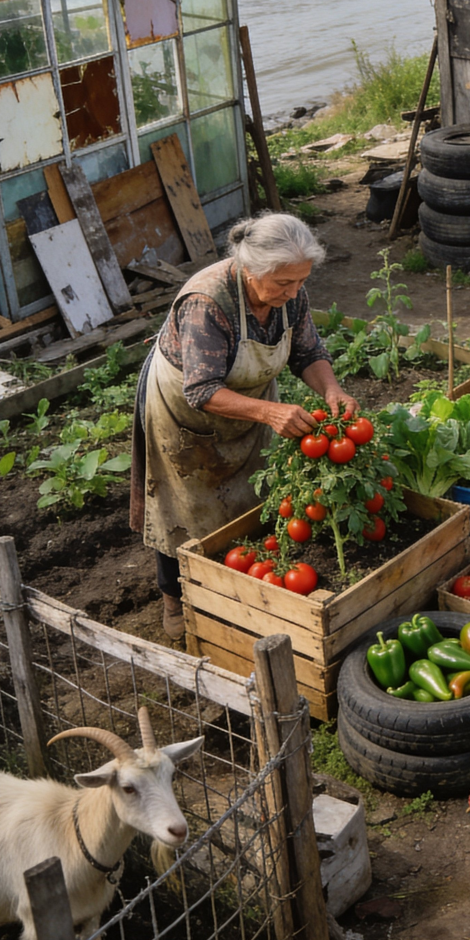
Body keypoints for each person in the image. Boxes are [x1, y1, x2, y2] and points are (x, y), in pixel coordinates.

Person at [130, 213, 359, 640]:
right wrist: (270, 413)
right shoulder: (207, 301)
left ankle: (242, 586)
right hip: (183, 413)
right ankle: (174, 598)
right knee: (182, 507)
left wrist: (332, 389)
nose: (294, 292)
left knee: (253, 492)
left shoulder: (289, 294)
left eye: (301, 281)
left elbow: (308, 352)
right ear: (251, 270)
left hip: (249, 405)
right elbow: (201, 389)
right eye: (284, 283)